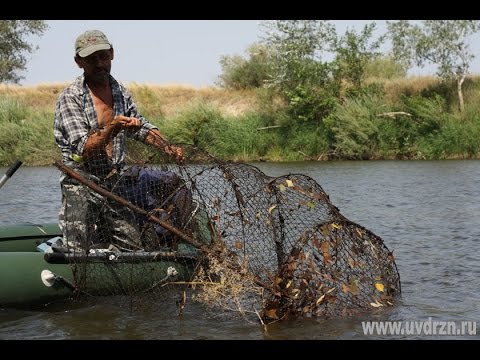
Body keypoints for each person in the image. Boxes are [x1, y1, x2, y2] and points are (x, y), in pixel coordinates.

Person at [54, 29, 191, 252]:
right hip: (81, 179)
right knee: (76, 248)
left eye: (103, 57)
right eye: (91, 59)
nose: (99, 64)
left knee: (131, 245)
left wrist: (169, 148)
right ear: (79, 62)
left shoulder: (120, 91)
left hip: (113, 180)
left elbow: (141, 127)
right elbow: (84, 147)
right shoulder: (71, 97)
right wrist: (114, 126)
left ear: (112, 54)